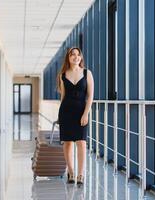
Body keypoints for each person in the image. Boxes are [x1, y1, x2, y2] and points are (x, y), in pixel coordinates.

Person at [56, 47, 94, 186]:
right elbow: (63, 96)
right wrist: (60, 115)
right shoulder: (63, 74)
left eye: (78, 55)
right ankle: (71, 172)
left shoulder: (87, 73)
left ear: (81, 57)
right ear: (68, 57)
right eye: (73, 55)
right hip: (66, 112)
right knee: (67, 143)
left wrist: (86, 113)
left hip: (81, 112)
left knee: (82, 143)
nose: (76, 57)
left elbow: (90, 96)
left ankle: (81, 174)